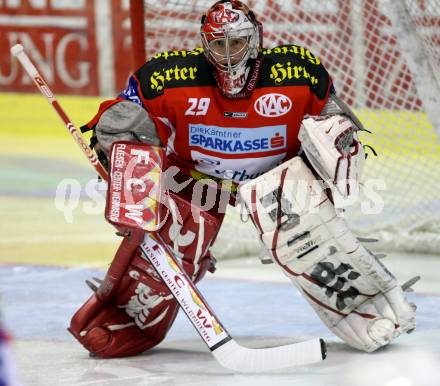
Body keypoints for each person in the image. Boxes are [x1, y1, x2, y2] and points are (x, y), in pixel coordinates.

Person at [69, 0, 416, 358]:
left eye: (236, 43)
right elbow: (124, 117)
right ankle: (125, 318)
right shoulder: (166, 76)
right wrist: (121, 153)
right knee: (174, 239)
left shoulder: (298, 72)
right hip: (195, 181)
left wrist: (339, 140)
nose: (229, 54)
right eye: (219, 44)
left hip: (274, 180)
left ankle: (362, 305)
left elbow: (332, 118)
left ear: (256, 39)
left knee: (304, 230)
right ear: (205, 45)